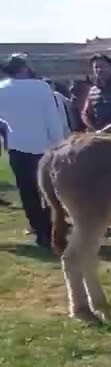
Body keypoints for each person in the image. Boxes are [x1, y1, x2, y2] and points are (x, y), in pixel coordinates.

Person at [0, 54, 69, 249]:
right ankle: (53, 228)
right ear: (24, 68)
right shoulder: (41, 88)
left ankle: (40, 232)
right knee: (49, 191)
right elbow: (52, 120)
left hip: (17, 147)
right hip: (44, 147)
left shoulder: (2, 89)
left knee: (27, 192)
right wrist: (59, 143)